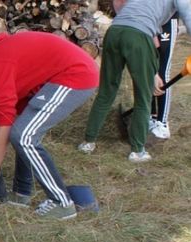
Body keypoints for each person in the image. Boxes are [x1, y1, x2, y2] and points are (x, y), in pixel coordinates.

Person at [0, 32, 99, 220]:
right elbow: (11, 119)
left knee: (24, 136)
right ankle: (21, 194)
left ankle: (61, 203)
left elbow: (6, 125)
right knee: (22, 131)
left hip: (75, 74)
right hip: (58, 77)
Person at [78, 0, 191, 162]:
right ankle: (138, 151)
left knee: (106, 90)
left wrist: (152, 74)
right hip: (138, 36)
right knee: (143, 97)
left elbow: (140, 21)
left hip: (114, 32)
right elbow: (188, 15)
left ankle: (87, 142)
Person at [150, 12, 179, 140]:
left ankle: (162, 124)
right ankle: (151, 116)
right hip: (150, 18)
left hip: (167, 20)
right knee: (148, 70)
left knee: (163, 70)